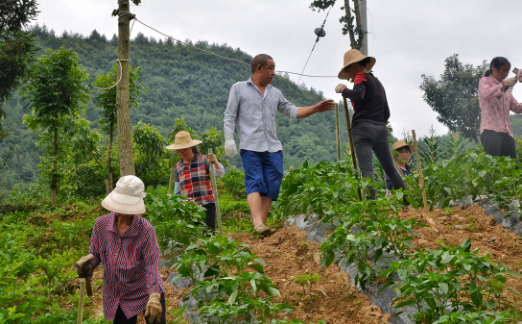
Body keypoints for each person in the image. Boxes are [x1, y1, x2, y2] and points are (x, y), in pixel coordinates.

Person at [223, 54, 334, 235]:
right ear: (259, 68)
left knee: (272, 184)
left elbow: (291, 111)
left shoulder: (275, 93)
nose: (274, 72)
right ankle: (257, 223)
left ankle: (261, 226)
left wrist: (315, 108)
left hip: (273, 147)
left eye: (274, 69)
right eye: (270, 68)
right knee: (255, 181)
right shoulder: (239, 89)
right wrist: (229, 138)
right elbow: (229, 116)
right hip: (250, 145)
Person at [76, 175, 165, 324]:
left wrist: (154, 296)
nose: (121, 211)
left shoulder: (146, 230)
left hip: (145, 290)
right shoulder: (101, 225)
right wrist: (87, 264)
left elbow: (152, 266)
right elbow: (96, 254)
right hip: (118, 295)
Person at [335, 49, 407, 201]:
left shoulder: (360, 77)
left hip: (363, 129)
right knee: (392, 170)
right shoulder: (379, 84)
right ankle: (408, 203)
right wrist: (377, 122)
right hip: (380, 129)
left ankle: (371, 208)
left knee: (367, 170)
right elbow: (386, 113)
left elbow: (358, 95)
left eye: (348, 70)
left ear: (354, 65)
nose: (350, 75)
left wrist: (343, 90)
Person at [166, 131, 225, 233]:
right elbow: (177, 192)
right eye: (179, 150)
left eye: (184, 149)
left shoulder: (203, 160)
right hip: (189, 210)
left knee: (207, 237)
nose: (182, 152)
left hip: (206, 205)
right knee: (192, 240)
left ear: (190, 147)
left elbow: (219, 174)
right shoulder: (177, 168)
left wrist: (215, 162)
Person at [478, 57, 522, 158]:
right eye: (503, 70)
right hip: (490, 131)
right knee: (494, 166)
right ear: (493, 67)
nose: (505, 74)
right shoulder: (485, 81)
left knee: (511, 167)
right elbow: (485, 93)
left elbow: (516, 107)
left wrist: (505, 85)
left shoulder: (507, 91)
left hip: (506, 133)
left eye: (507, 71)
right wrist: (503, 84)